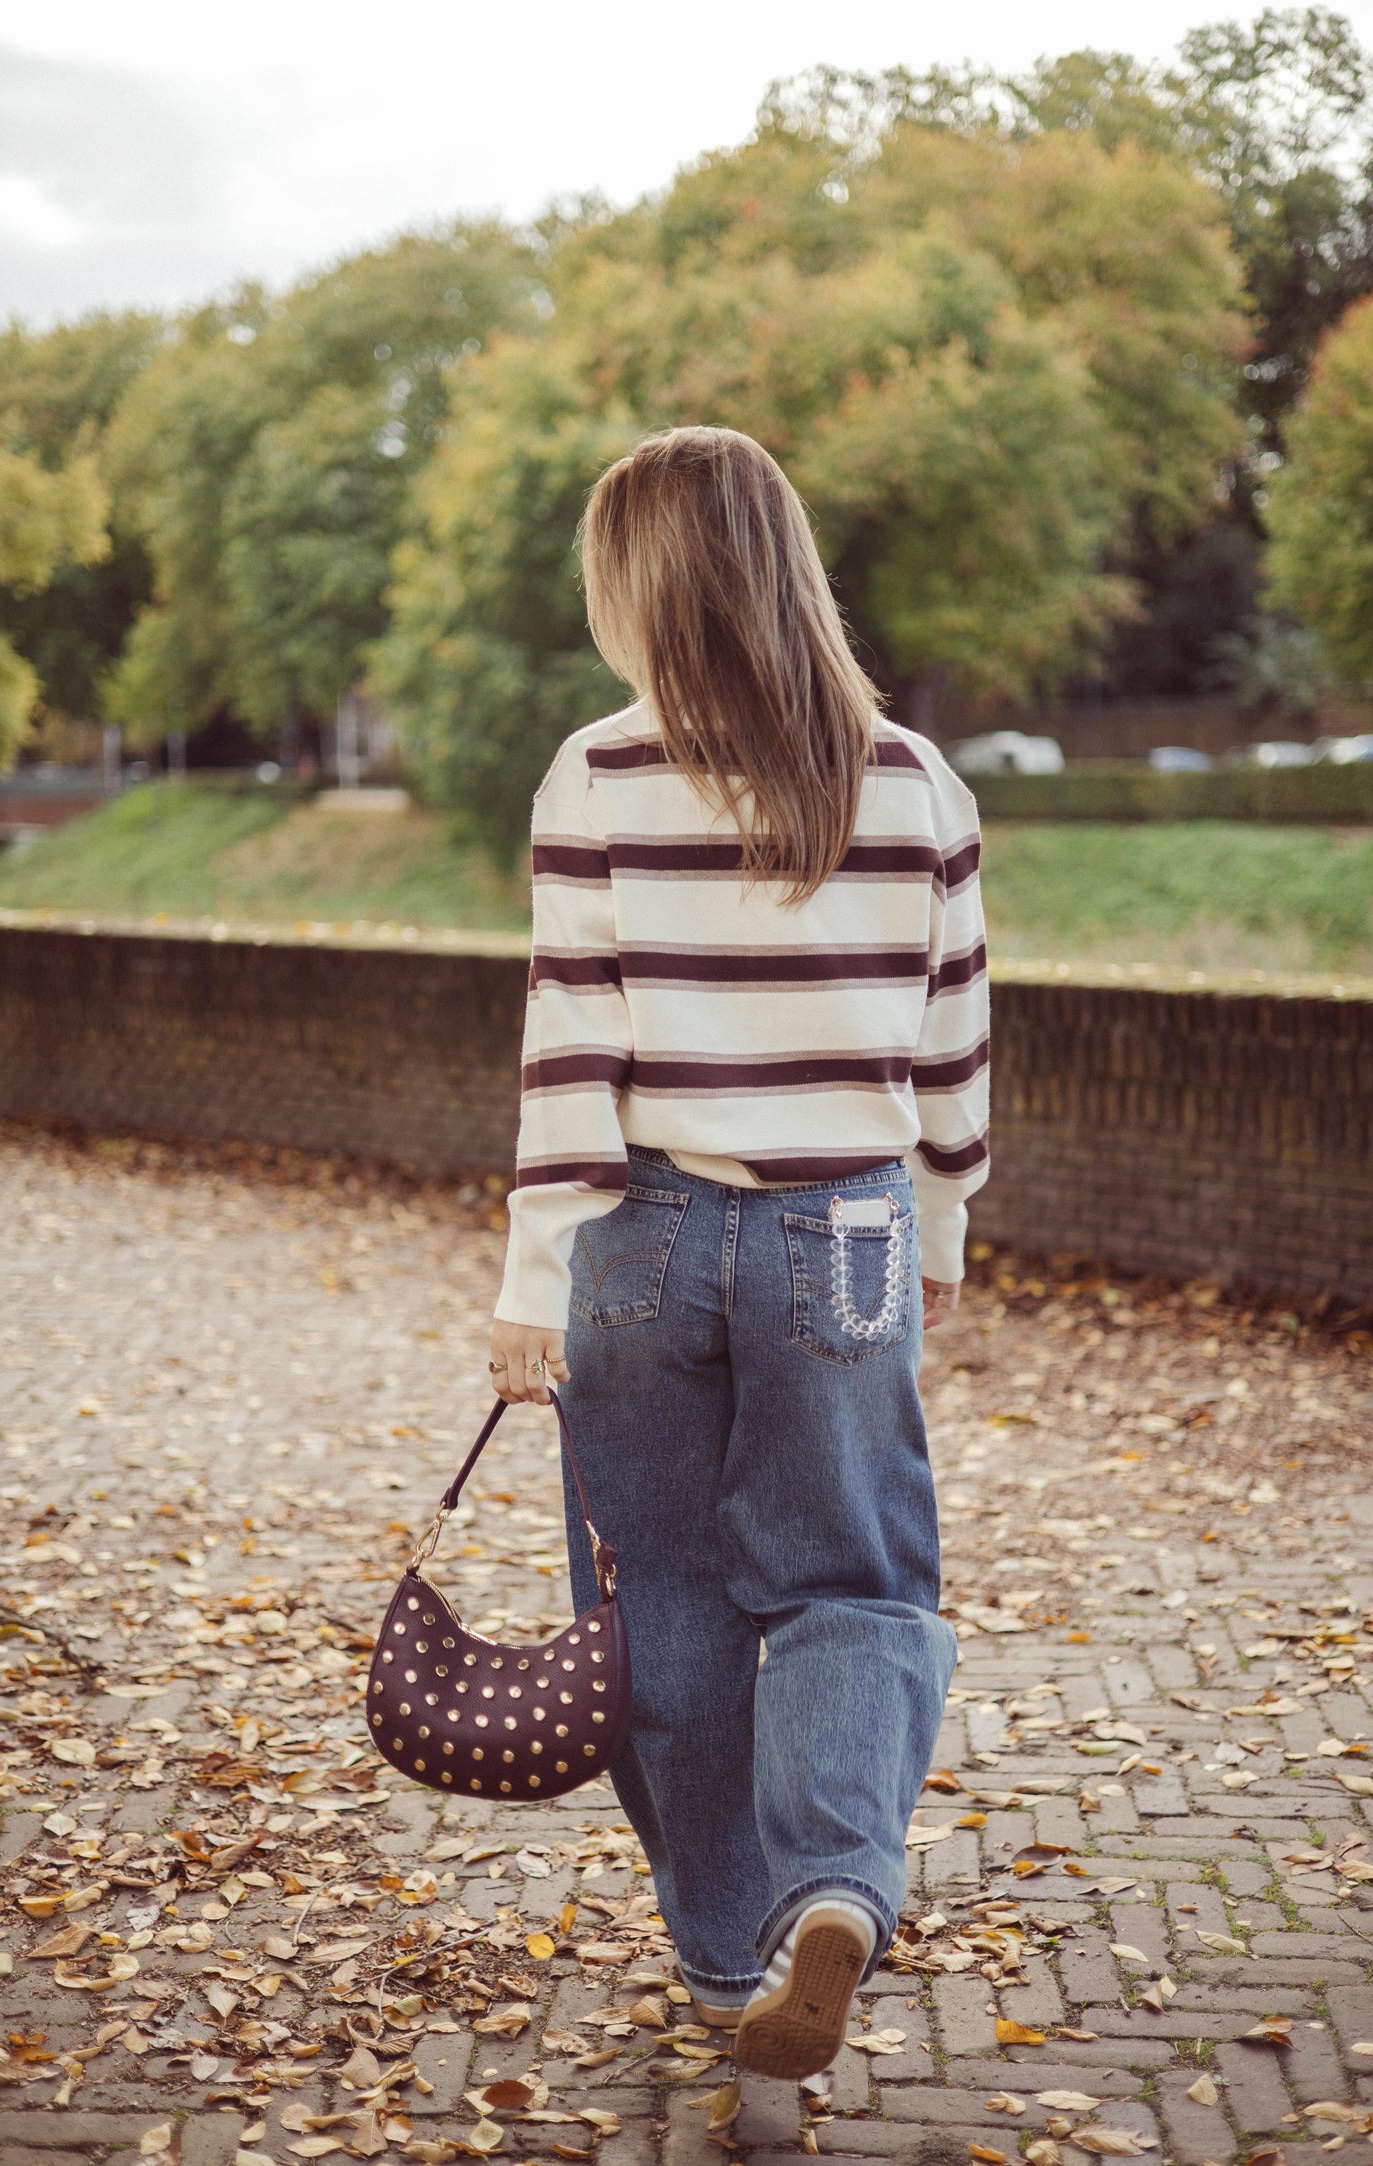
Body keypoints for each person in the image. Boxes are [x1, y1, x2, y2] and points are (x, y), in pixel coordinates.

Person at [487, 426, 989, 2081]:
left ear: (636, 586)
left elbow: (572, 1049)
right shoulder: (912, 777)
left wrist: (523, 1279)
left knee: (661, 1602)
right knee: (849, 1582)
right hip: (842, 1222)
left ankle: (719, 1957)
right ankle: (833, 1889)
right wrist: (935, 1227)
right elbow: (950, 1050)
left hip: (640, 1224)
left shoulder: (599, 772)